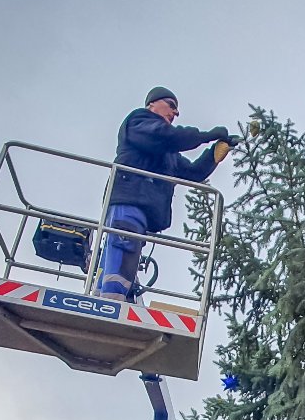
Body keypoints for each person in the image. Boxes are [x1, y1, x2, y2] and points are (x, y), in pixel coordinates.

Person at [95, 87, 236, 299]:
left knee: (122, 249)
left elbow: (193, 172)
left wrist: (215, 153)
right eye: (171, 105)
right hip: (129, 198)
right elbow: (164, 136)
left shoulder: (168, 153)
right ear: (152, 104)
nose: (175, 112)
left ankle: (104, 295)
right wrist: (206, 136)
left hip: (143, 209)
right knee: (123, 245)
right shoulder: (139, 121)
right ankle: (110, 301)